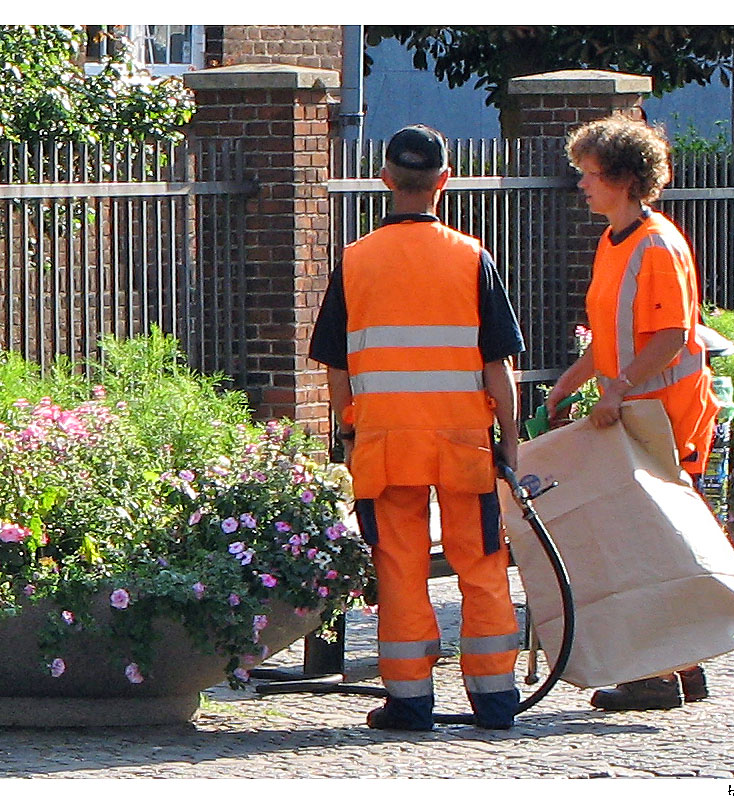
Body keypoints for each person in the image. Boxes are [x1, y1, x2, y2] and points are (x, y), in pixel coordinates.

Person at [309, 124, 526, 731]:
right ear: (444, 182)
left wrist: (349, 437)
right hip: (462, 442)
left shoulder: (356, 262)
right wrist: (510, 443)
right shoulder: (470, 258)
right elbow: (497, 367)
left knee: (399, 566)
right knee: (481, 562)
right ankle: (495, 698)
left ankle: (409, 700)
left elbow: (337, 369)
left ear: (385, 181)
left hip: (385, 443)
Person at [545, 114, 720, 711]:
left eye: (589, 174)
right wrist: (570, 383)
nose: (582, 185)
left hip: (666, 418)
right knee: (657, 542)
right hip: (640, 416)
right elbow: (610, 335)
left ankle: (655, 677)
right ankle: (683, 666)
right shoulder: (616, 240)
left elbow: (670, 335)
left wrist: (616, 389)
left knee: (644, 545)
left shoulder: (657, 243)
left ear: (621, 177)